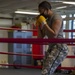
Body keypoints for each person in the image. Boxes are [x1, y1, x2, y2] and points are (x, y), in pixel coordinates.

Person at [36, 1, 69, 75]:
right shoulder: (46, 20)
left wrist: (44, 24)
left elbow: (54, 35)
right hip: (52, 47)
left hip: (60, 47)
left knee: (46, 71)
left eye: (41, 11)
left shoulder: (56, 17)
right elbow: (40, 38)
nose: (40, 14)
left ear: (47, 9)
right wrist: (39, 25)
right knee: (44, 68)